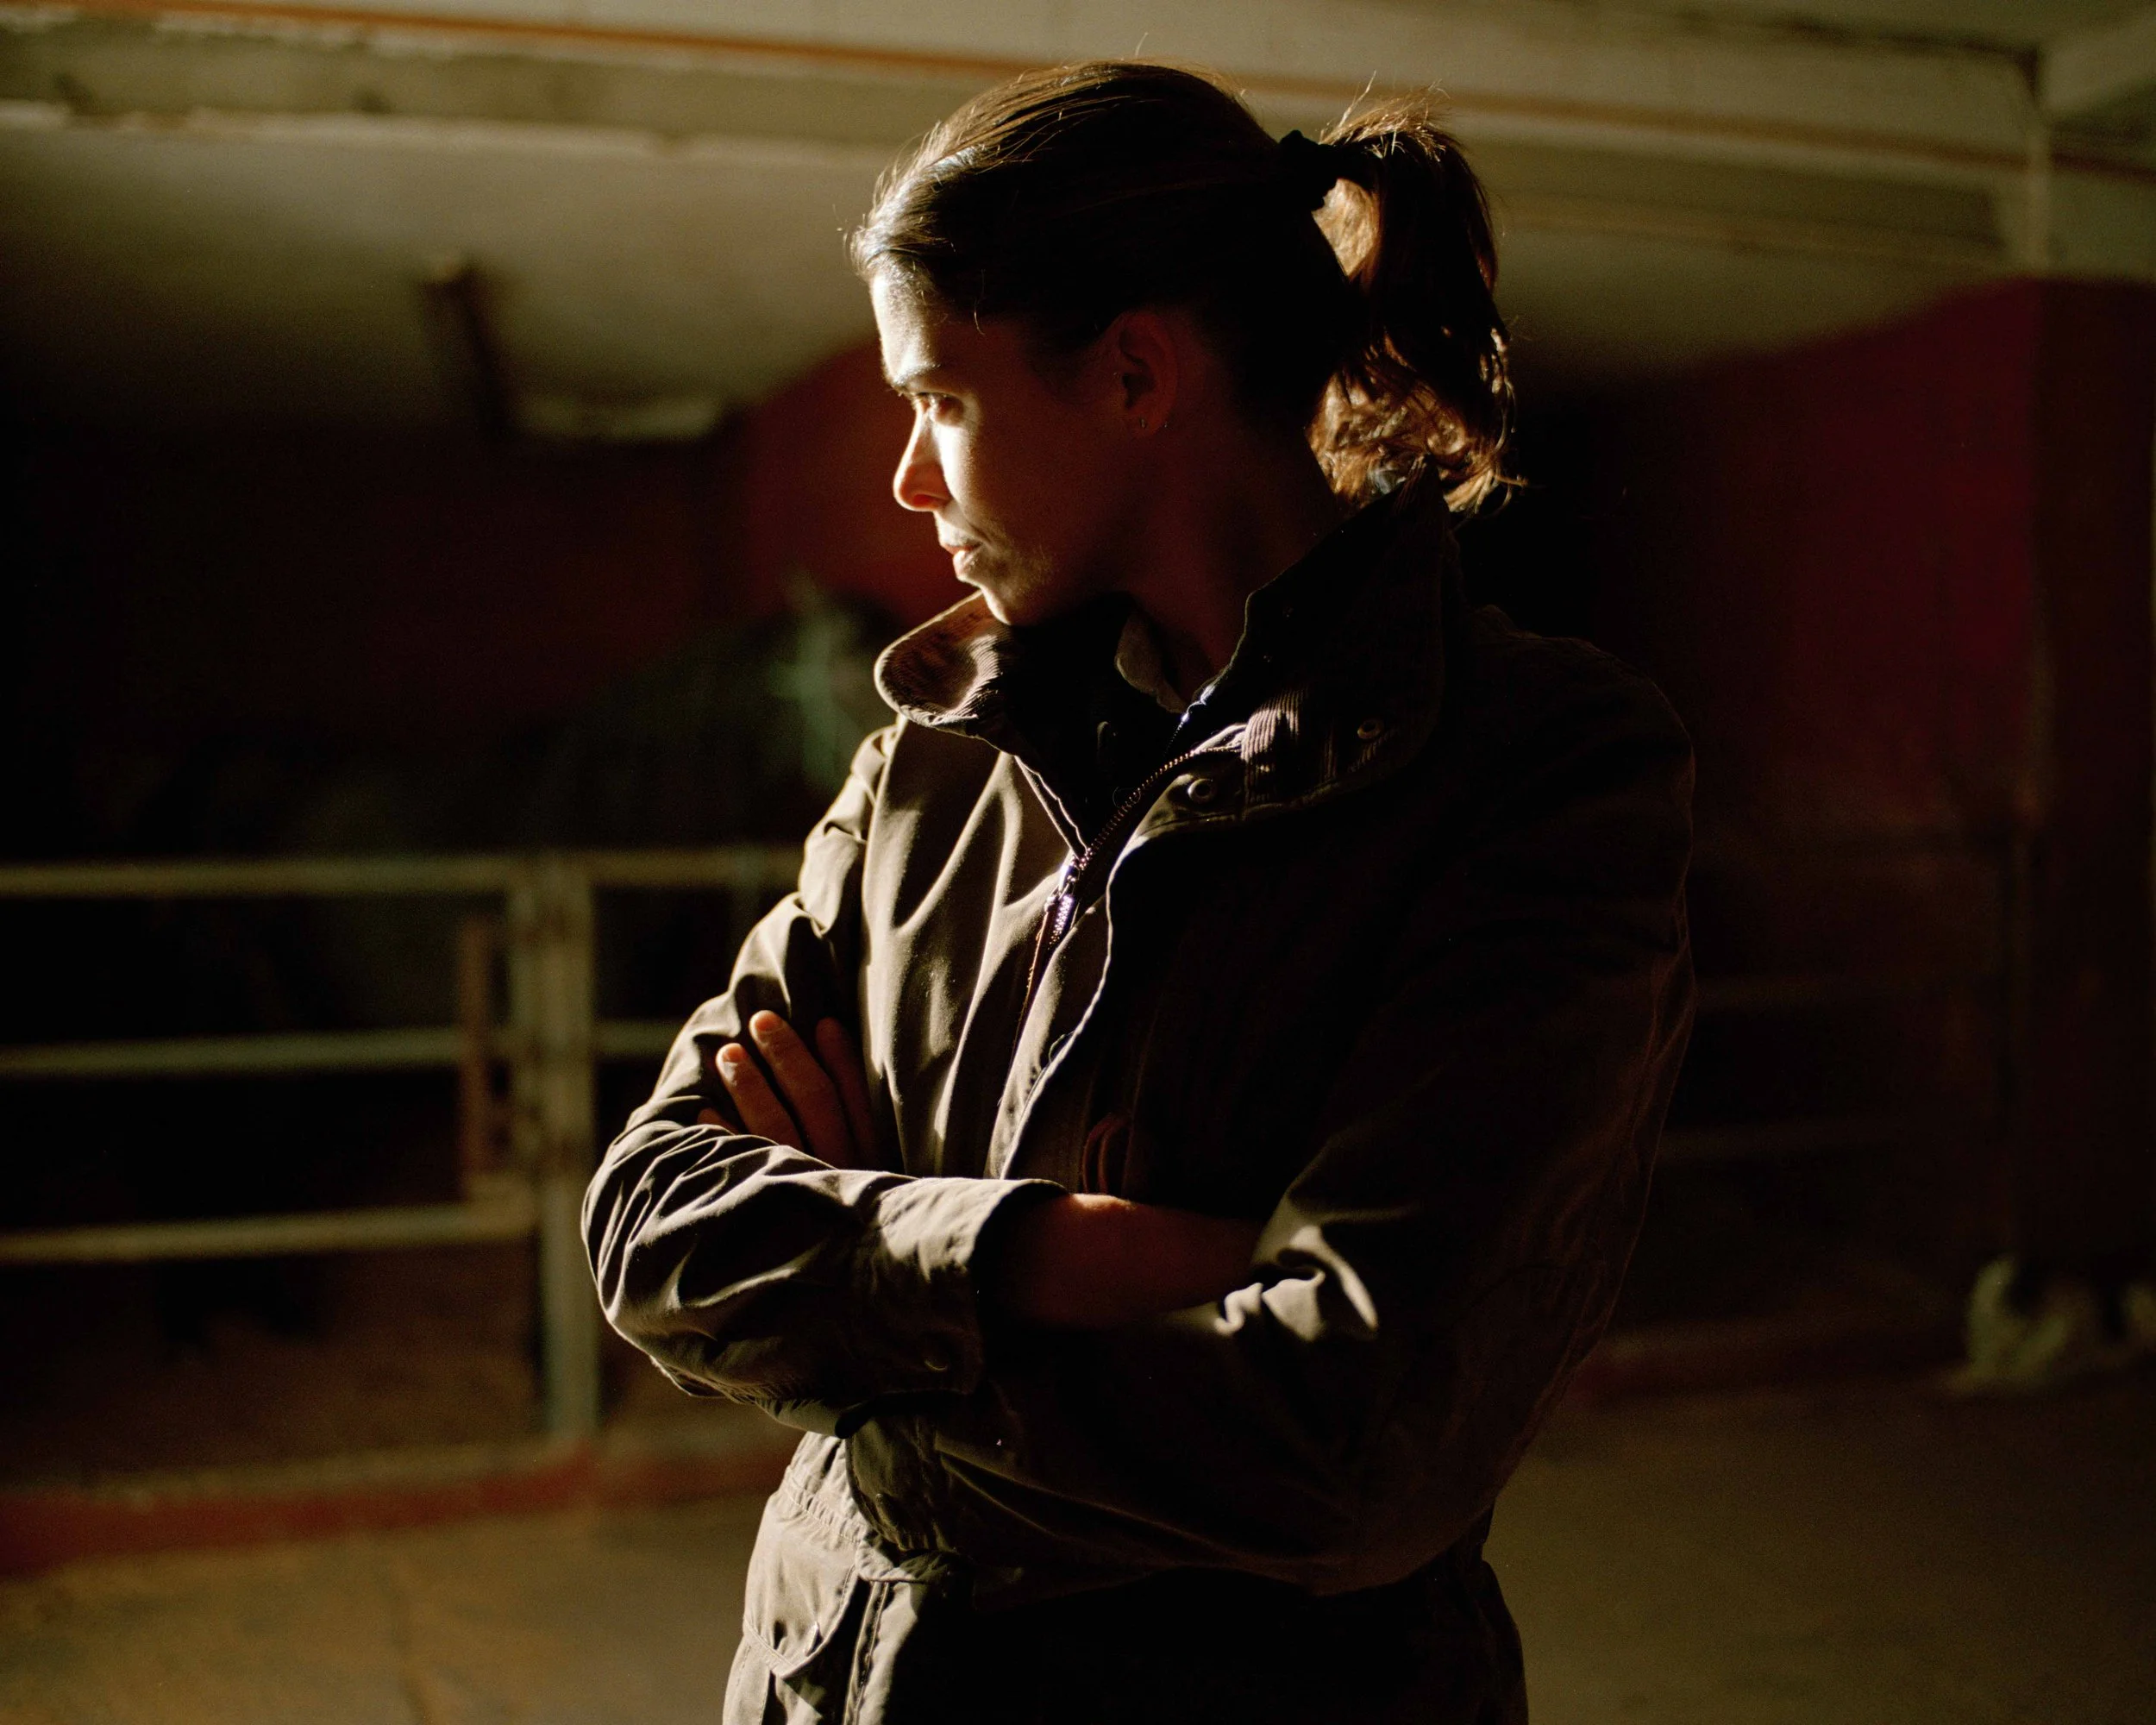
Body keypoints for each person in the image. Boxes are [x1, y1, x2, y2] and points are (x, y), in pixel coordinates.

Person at [584, 60, 1694, 1725]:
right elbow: (650, 1224)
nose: (906, 479)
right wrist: (1046, 1254)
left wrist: (854, 1322)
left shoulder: (1538, 770)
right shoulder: (931, 760)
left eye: (937, 400)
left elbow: (1356, 1445)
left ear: (1131, 372)